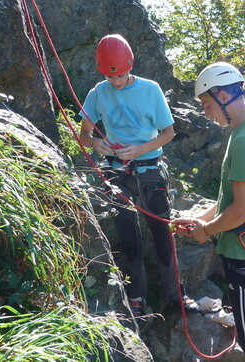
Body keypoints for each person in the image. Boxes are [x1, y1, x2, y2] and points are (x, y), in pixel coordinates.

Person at [78, 34, 196, 317]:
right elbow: (83, 134)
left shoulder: (150, 90)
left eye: (120, 76)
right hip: (116, 172)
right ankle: (137, 296)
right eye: (110, 77)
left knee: (161, 231)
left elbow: (168, 132)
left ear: (130, 65)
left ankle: (175, 293)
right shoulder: (97, 92)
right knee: (128, 234)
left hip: (150, 168)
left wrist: (141, 148)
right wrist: (96, 142)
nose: (116, 82)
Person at [173, 62, 245, 362]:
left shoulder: (244, 140)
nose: (206, 112)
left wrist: (205, 232)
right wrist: (200, 220)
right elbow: (228, 200)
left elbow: (242, 210)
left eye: (207, 104)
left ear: (222, 95)